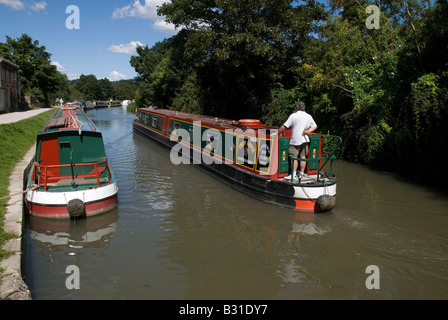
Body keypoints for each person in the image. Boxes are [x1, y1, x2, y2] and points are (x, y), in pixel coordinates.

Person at [272, 100, 318, 180]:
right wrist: (307, 132)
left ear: (297, 107)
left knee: (294, 157)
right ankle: (302, 173)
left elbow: (284, 127)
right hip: (305, 139)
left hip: (295, 140)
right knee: (303, 156)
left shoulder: (294, 116)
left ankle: (293, 175)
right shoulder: (308, 116)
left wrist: (276, 133)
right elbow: (315, 126)